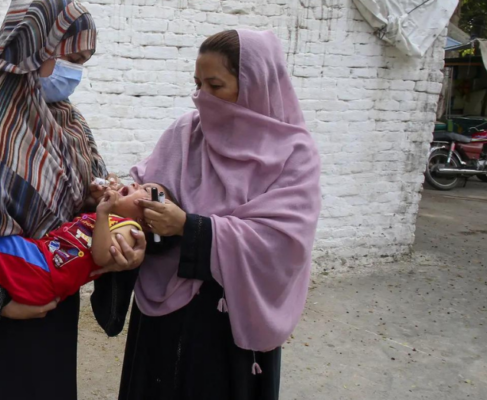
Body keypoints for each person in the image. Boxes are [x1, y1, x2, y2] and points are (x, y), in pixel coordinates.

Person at [0, 1, 146, 399]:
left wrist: (104, 214)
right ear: (32, 45)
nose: (76, 72)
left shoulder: (69, 123)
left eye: (84, 61)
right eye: (71, 57)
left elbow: (83, 217)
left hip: (52, 314)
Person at [92, 29, 322, 399]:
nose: (203, 97)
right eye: (198, 84)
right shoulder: (186, 132)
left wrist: (190, 226)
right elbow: (148, 188)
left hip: (226, 324)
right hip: (164, 316)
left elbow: (284, 244)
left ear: (254, 87)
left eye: (216, 85)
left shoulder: (294, 153)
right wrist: (122, 208)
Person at [0, 183, 171, 328]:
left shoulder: (129, 230)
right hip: (40, 262)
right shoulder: (112, 218)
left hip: (41, 270)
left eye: (146, 192)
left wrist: (104, 212)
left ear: (151, 219)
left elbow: (100, 256)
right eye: (139, 183)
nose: (135, 185)